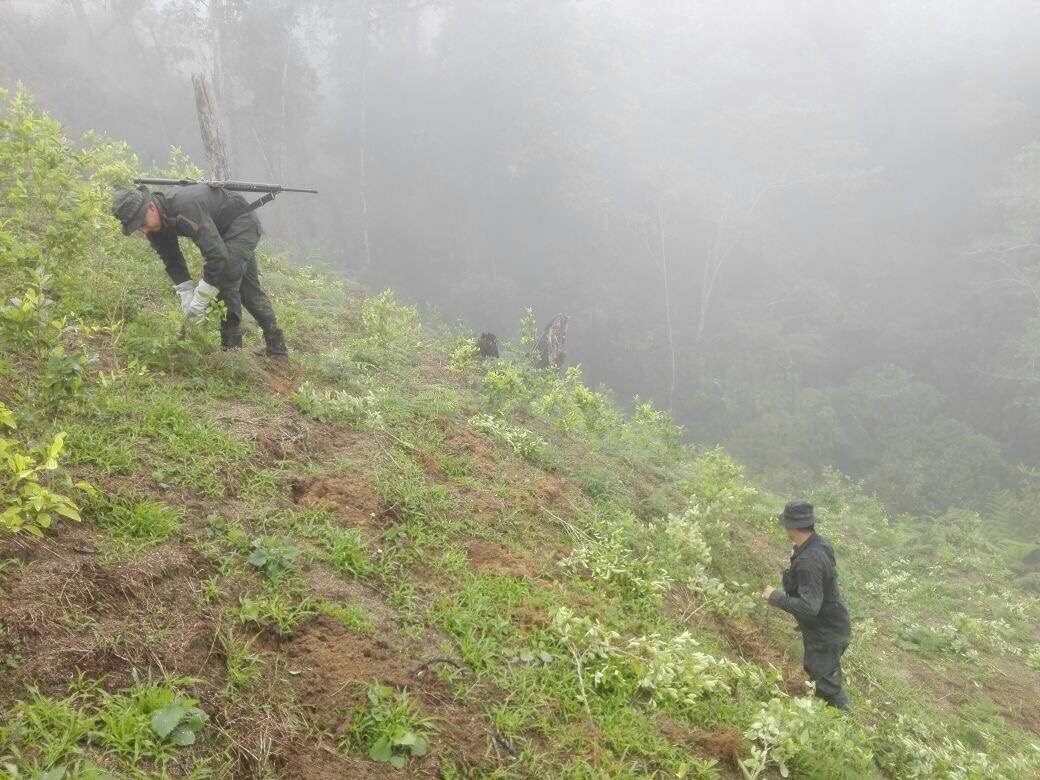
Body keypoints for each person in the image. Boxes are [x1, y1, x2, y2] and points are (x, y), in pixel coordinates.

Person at [111, 183, 288, 357]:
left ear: (150, 207)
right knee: (247, 288)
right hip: (219, 231)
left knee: (224, 279)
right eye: (137, 227)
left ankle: (233, 353)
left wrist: (203, 291)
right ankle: (276, 348)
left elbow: (217, 256)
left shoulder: (185, 207)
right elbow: (171, 259)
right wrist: (185, 290)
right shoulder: (156, 223)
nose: (143, 230)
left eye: (141, 222)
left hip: (241, 222)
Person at [762, 500, 852, 710]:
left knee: (828, 687)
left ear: (790, 527)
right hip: (831, 625)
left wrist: (775, 597)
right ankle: (821, 711)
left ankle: (842, 727)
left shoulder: (809, 561)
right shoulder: (818, 544)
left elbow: (810, 607)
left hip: (826, 633)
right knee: (817, 670)